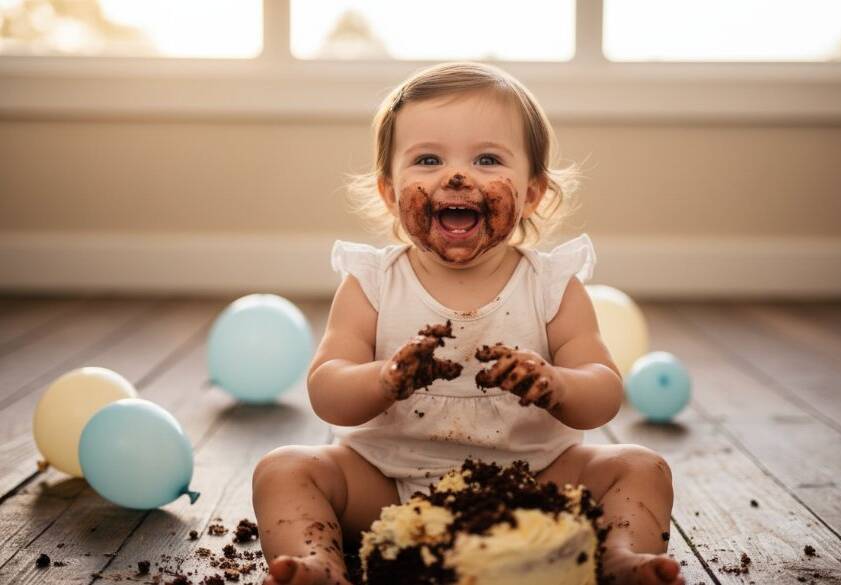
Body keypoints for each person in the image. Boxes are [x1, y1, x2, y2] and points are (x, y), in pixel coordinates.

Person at [253, 62, 682, 585]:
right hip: (389, 489)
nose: (457, 177)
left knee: (641, 466)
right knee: (284, 468)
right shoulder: (373, 283)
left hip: (537, 488)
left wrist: (556, 383)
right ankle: (318, 562)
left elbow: (604, 394)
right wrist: (385, 378)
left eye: (487, 159)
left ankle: (622, 556)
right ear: (389, 191)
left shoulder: (550, 284)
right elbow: (327, 391)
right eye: (428, 159)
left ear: (532, 193)